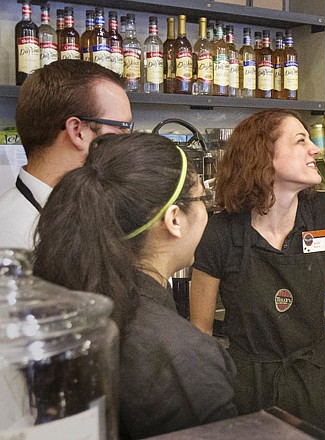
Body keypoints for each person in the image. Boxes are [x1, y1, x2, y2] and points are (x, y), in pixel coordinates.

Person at [190, 109, 325, 439]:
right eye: (301, 140)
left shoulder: (323, 212)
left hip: (316, 378)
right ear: (264, 154)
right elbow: (200, 331)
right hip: (250, 384)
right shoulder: (220, 232)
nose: (315, 149)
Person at [33, 133, 238, 439]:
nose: (206, 211)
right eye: (200, 199)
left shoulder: (79, 301)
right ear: (174, 220)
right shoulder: (183, 356)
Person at [0, 59, 132, 250]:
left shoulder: (89, 211)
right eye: (123, 128)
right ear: (77, 131)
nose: (127, 141)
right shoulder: (10, 237)